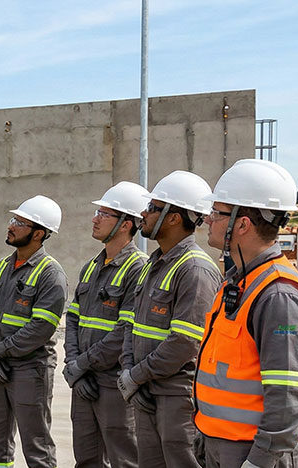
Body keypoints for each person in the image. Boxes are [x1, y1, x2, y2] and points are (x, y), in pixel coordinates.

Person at [196, 160, 298, 468]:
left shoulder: (279, 296)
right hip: (226, 443)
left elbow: (288, 392)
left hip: (256, 452)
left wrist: (261, 461)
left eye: (218, 213)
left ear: (242, 224)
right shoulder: (241, 279)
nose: (208, 220)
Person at [120, 171, 222, 468]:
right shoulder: (154, 264)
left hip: (177, 397)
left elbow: (185, 342)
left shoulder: (195, 269)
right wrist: (132, 375)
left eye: (152, 208)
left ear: (175, 217)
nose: (144, 214)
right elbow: (132, 326)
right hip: (147, 389)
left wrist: (135, 376)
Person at [63, 182, 151, 468]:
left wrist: (81, 365)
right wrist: (75, 367)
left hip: (114, 384)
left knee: (124, 458)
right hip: (84, 379)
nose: (95, 218)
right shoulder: (91, 266)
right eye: (97, 212)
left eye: (104, 213)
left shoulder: (139, 268)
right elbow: (73, 319)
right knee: (86, 458)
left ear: (127, 224)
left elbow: (124, 333)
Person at [0, 195, 68, 468]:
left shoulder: (51, 274)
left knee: (36, 446)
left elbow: (40, 329)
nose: (11, 225)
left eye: (19, 222)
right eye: (13, 219)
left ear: (38, 233)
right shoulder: (2, 266)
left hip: (31, 370)